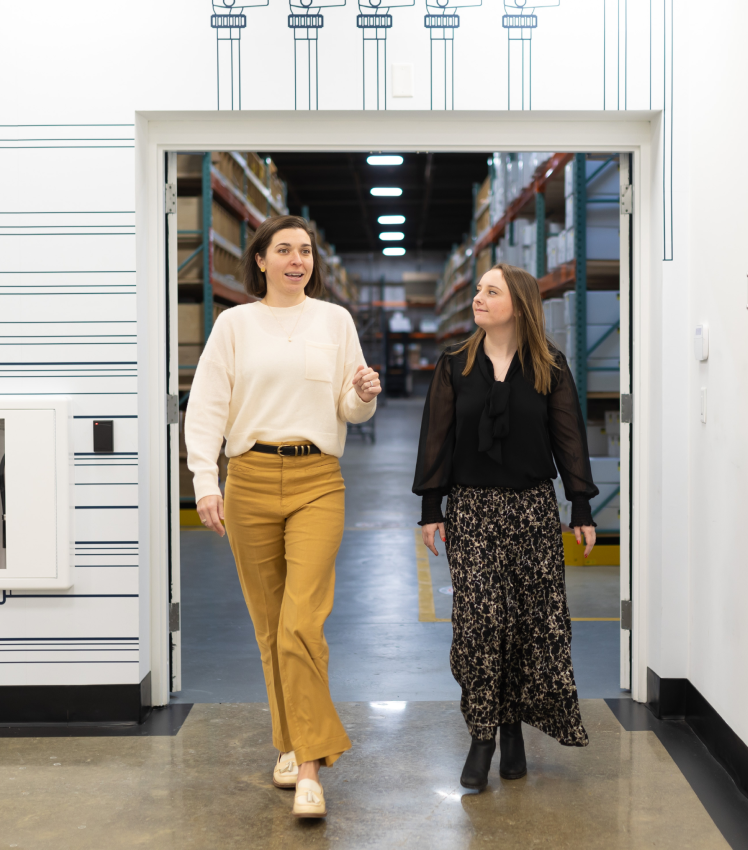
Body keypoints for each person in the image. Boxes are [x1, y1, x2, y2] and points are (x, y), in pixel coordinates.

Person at [185, 215, 380, 818]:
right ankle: (290, 745)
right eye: (285, 250)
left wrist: (364, 395)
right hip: (248, 480)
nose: (298, 260)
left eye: (306, 251)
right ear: (262, 261)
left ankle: (311, 769)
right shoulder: (234, 324)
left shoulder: (335, 321)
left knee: (302, 621)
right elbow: (208, 403)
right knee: (270, 628)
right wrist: (205, 479)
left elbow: (348, 409)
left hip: (317, 479)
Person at [413, 263, 597, 792]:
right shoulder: (454, 366)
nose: (478, 298)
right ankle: (483, 736)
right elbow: (437, 439)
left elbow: (570, 438)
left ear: (518, 303)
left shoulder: (549, 366)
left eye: (490, 291)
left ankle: (513, 727)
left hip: (534, 511)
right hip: (471, 512)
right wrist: (432, 507)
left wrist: (580, 506)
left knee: (531, 623)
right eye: (477, 290)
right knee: (478, 624)